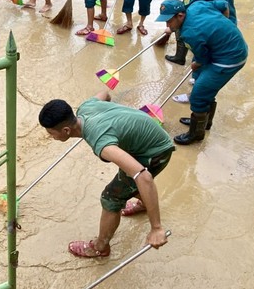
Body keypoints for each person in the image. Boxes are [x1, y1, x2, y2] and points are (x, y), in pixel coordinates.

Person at [38, 92, 173, 258]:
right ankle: (145, 203)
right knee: (125, 183)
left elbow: (144, 177)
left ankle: (100, 247)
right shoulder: (86, 107)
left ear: (66, 130)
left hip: (155, 153)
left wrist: (156, 228)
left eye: (51, 133)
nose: (50, 137)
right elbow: (105, 94)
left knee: (110, 198)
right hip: (148, 139)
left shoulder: (101, 142)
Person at [155, 0, 248, 145]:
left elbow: (202, 59)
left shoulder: (191, 34)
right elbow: (224, 4)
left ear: (180, 16)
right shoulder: (196, 6)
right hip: (232, 46)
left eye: (169, 21)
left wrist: (196, 63)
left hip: (229, 58)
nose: (167, 25)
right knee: (205, 88)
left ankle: (196, 134)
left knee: (198, 94)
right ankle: (204, 122)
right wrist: (225, 25)